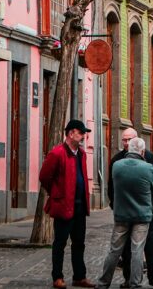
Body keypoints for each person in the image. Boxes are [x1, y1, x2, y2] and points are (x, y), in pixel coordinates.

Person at [39, 119, 95, 289]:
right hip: (64, 205)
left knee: (79, 243)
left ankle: (79, 277)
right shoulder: (57, 153)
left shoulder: (82, 154)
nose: (84, 136)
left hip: (79, 206)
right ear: (71, 133)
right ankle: (57, 277)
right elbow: (44, 177)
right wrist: (56, 192)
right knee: (60, 243)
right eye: (81, 132)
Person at [108, 128, 153, 289]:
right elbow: (111, 187)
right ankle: (129, 278)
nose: (126, 143)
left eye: (129, 139)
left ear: (137, 140)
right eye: (124, 140)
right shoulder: (116, 160)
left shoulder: (149, 158)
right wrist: (115, 205)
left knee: (152, 243)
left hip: (148, 210)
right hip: (125, 211)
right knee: (127, 248)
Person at [95, 137, 153, 289]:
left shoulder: (117, 165)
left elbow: (114, 185)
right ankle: (135, 283)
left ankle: (103, 283)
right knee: (137, 250)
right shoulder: (148, 167)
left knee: (114, 250)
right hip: (142, 215)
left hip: (122, 214)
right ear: (142, 151)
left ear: (129, 149)